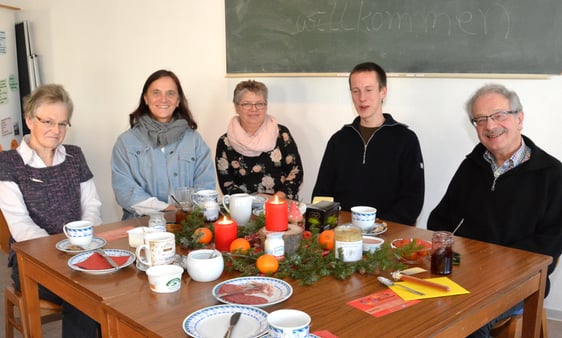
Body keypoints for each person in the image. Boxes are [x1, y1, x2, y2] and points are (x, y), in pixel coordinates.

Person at [427, 83, 562, 337]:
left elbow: (551, 244)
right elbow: (439, 219)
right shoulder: (472, 166)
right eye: (480, 119)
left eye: (499, 115)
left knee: (462, 322)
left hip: (520, 281)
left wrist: (496, 263)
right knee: (414, 307)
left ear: (519, 118)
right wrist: (452, 253)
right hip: (466, 272)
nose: (490, 126)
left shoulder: (552, 174)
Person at [0, 84, 102, 337]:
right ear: (29, 119)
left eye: (63, 123)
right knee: (84, 298)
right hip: (33, 262)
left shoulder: (75, 157)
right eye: (47, 121)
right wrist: (61, 249)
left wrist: (83, 238)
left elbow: (92, 206)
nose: (56, 131)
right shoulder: (9, 163)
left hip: (80, 251)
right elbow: (21, 225)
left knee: (116, 291)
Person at [312, 62, 424, 226]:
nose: (362, 98)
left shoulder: (406, 139)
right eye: (355, 91)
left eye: (369, 90)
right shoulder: (339, 140)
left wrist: (378, 226)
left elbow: (412, 201)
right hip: (342, 230)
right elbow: (322, 194)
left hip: (388, 231)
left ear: (383, 92)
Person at [112, 70, 216, 219]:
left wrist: (186, 212)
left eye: (170, 93)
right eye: (156, 93)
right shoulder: (126, 142)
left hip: (188, 226)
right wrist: (168, 209)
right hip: (141, 227)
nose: (163, 99)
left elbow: (206, 185)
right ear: (145, 99)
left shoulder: (194, 140)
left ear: (178, 100)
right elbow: (125, 191)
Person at [215, 80, 304, 200]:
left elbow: (296, 172)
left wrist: (276, 199)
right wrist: (252, 201)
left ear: (266, 106)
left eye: (259, 104)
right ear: (236, 107)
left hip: (280, 205)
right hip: (243, 208)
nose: (254, 109)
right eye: (246, 104)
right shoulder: (225, 142)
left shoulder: (281, 134)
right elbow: (227, 184)